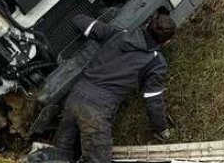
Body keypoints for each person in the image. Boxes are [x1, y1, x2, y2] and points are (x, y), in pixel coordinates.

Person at [27, 13, 176, 163]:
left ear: (146, 26)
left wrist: (80, 18)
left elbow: (79, 21)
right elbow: (153, 101)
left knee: (63, 154)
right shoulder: (156, 63)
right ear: (167, 42)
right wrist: (161, 129)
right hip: (96, 111)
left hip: (74, 99)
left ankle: (42, 158)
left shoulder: (118, 34)